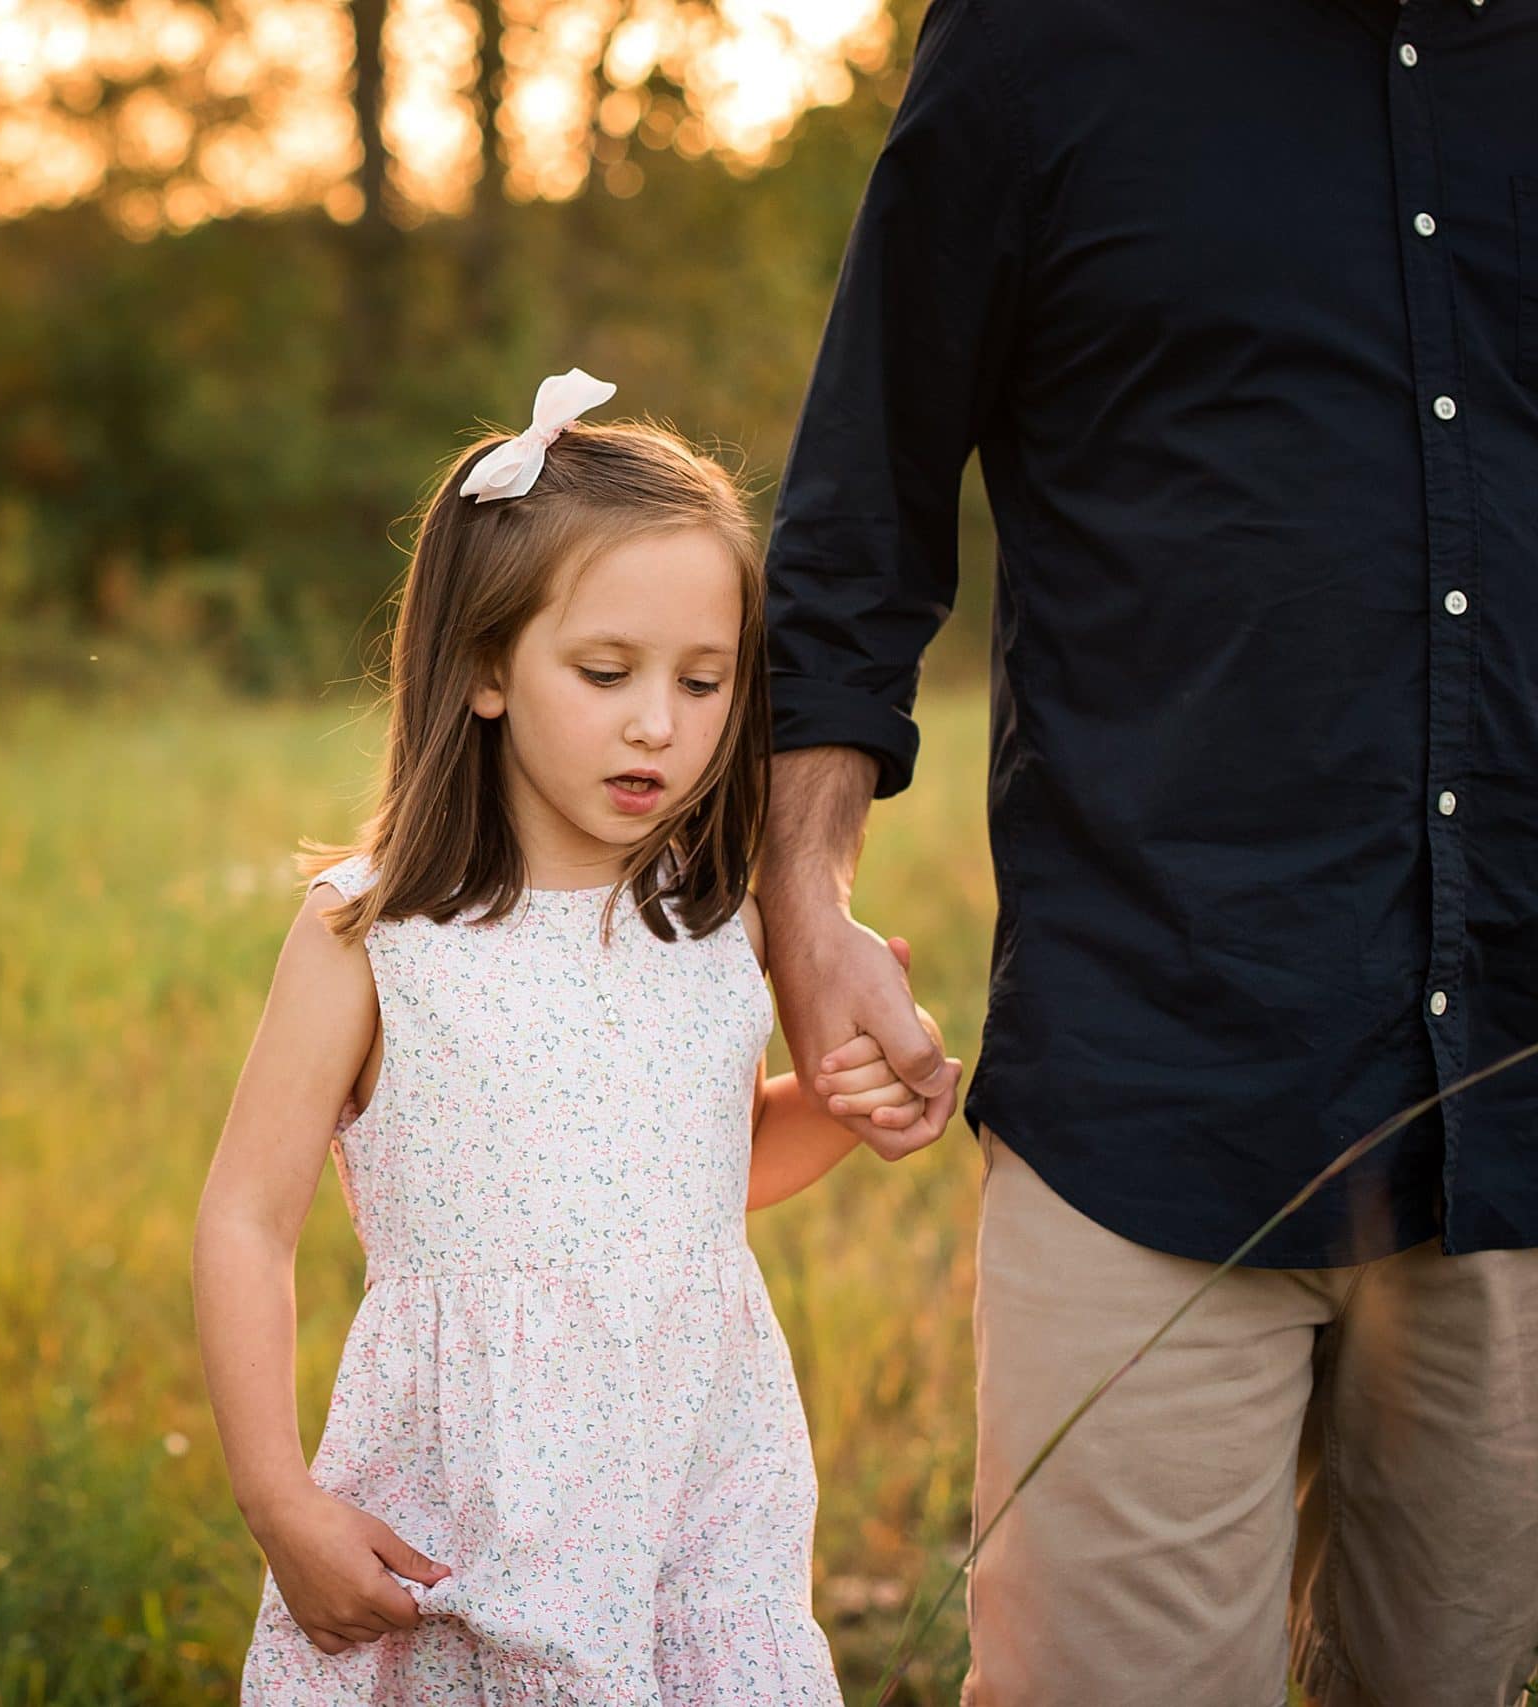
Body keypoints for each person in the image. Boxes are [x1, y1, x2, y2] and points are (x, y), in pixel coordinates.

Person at [757, 2, 1538, 1702]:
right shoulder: (1043, 39)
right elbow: (861, 507)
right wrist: (799, 900)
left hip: (1521, 1100)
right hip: (1154, 1082)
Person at [193, 370, 958, 1703]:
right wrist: (280, 1501)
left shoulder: (717, 919)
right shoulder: (373, 934)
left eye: (705, 681)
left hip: (695, 1505)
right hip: (463, 1516)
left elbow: (695, 1180)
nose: (658, 721)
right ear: (487, 667)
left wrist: (837, 1109)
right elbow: (244, 1223)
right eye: (607, 672)